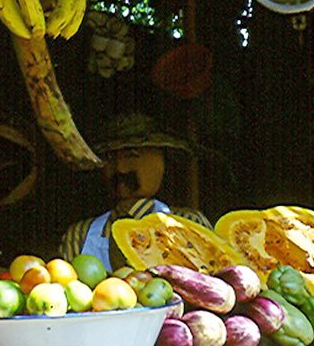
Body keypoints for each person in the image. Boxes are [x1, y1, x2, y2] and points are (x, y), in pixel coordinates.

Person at [59, 112, 211, 269]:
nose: (120, 169)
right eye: (110, 159)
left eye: (132, 156)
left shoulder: (192, 224)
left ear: (161, 161)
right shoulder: (80, 236)